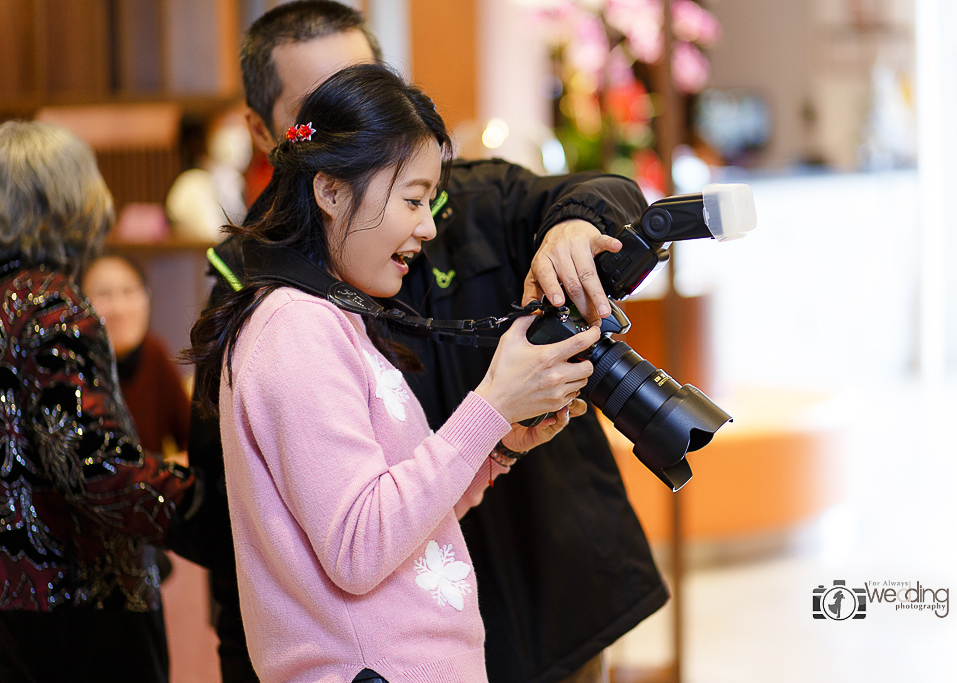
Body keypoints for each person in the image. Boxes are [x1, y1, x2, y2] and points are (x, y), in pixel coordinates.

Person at [174, 3, 668, 683]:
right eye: (337, 111)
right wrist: (493, 405)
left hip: (537, 599)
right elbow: (350, 541)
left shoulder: (339, 299)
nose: (427, 225)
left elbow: (389, 498)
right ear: (310, 167)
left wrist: (493, 448)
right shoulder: (293, 322)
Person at [0, 121, 197, 683]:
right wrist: (209, 512)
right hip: (76, 599)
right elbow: (93, 462)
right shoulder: (51, 306)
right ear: (69, 202)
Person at [81, 253, 190, 462]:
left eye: (129, 291)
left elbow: (194, 440)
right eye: (103, 294)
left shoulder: (153, 353)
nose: (118, 308)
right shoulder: (71, 365)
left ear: (146, 297)